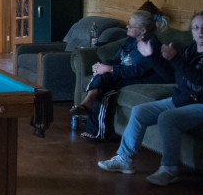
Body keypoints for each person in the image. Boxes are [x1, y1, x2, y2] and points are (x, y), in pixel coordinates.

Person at [97, 11, 203, 186]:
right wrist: (151, 56)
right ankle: (124, 159)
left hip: (202, 104)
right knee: (140, 111)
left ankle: (169, 169)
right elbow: (170, 74)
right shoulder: (190, 51)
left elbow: (200, 79)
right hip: (182, 100)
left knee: (167, 118)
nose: (200, 31)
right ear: (192, 31)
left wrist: (175, 59)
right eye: (196, 28)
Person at [71, 10, 168, 140]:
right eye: (128, 23)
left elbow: (137, 71)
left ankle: (98, 130)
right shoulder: (130, 40)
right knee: (103, 76)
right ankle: (89, 101)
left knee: (106, 89)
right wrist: (102, 66)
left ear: (143, 30)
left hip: (143, 78)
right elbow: (117, 59)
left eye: (131, 26)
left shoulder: (150, 44)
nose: (127, 26)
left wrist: (109, 69)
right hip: (126, 73)